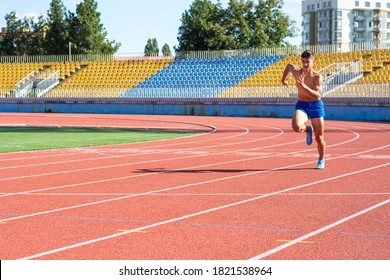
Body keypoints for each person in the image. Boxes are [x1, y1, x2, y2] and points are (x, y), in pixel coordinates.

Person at [281, 50, 326, 169]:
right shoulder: (297, 72)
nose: (305, 64)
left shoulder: (317, 77)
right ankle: (308, 129)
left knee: (319, 138)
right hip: (302, 105)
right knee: (296, 126)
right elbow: (288, 66)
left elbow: (317, 96)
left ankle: (321, 159)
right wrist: (283, 79)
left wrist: (304, 86)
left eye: (308, 62)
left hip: (315, 106)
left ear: (313, 62)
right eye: (303, 61)